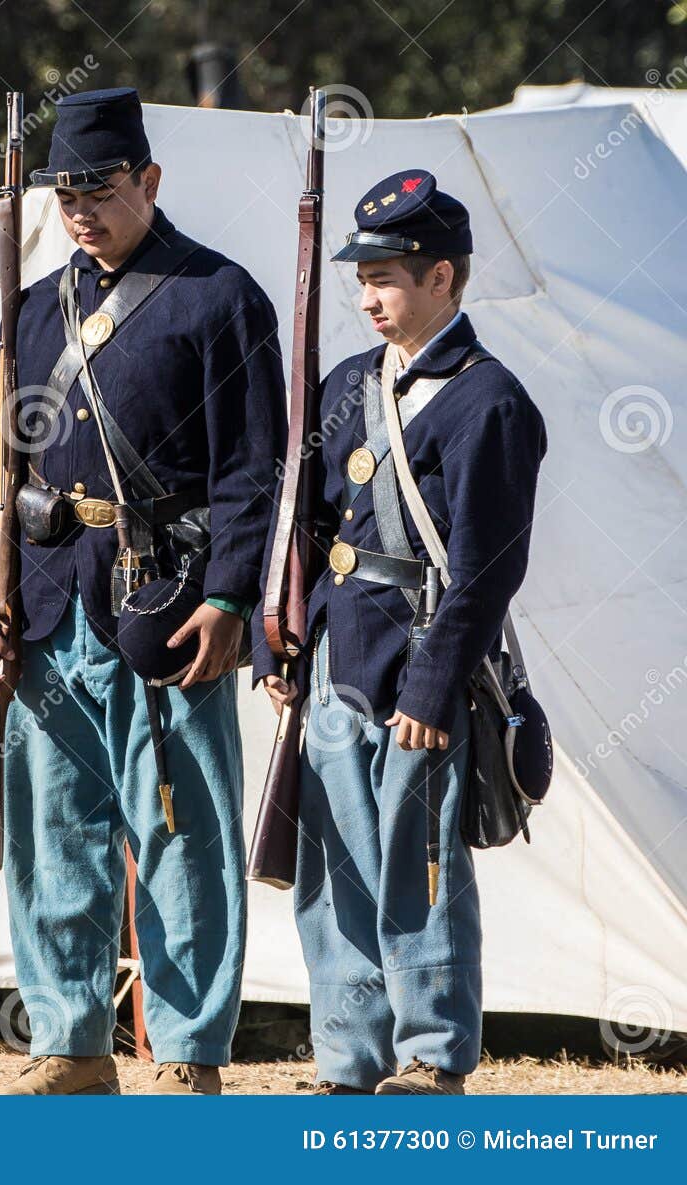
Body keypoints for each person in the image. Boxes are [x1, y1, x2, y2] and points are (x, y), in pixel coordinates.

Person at [0, 88, 285, 1095]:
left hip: (164, 603)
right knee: (54, 833)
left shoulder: (218, 297)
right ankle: (70, 1039)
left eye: (99, 193)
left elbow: (252, 473)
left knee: (180, 836)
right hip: (51, 601)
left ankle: (186, 1049)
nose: (82, 214)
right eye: (66, 198)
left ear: (148, 180)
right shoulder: (31, 304)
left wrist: (230, 601)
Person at [256, 170, 546, 1095]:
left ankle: (430, 1055)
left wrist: (432, 685)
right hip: (341, 655)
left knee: (419, 865)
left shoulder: (490, 401)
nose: (369, 293)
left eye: (389, 275)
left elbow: (487, 567)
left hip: (425, 665)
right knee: (333, 866)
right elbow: (298, 523)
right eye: (364, 275)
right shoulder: (350, 383)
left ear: (444, 280)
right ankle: (349, 1058)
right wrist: (278, 639)